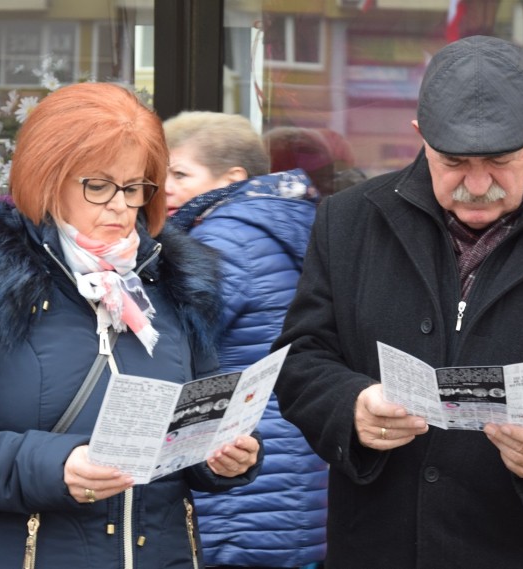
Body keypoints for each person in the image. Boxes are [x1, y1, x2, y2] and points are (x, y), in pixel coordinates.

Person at [271, 35, 523, 569]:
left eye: (501, 161)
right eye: (454, 162)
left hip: (522, 550)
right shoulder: (348, 222)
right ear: (421, 139)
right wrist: (351, 408)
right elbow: (301, 359)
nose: (477, 185)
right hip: (376, 547)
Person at [0, 82, 263, 569]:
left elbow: (188, 429)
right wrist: (58, 467)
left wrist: (222, 458)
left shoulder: (174, 283)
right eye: (98, 184)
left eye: (136, 186)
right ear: (48, 178)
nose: (121, 204)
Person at [164, 110, 327, 569]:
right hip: (289, 454)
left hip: (244, 467)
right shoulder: (284, 222)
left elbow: (172, 345)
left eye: (180, 173)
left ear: (232, 177)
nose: (166, 187)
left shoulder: (224, 240)